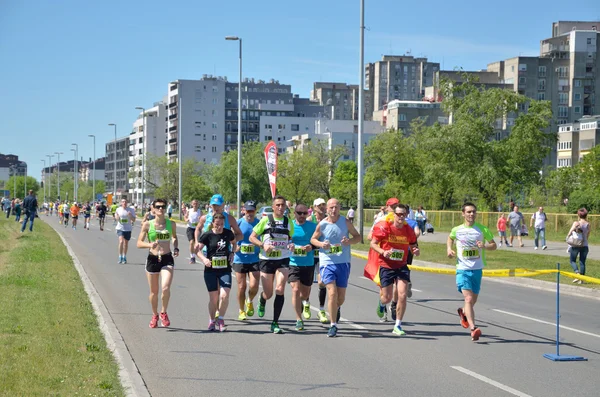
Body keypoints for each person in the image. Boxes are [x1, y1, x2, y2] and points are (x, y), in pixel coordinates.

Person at [310, 198, 362, 337]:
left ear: (340, 208)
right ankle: (333, 325)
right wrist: (321, 245)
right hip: (327, 262)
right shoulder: (322, 224)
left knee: (341, 297)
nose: (334, 210)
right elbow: (313, 239)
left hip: (343, 262)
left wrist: (349, 241)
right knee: (332, 293)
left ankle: (336, 308)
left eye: (336, 207)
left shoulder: (345, 222)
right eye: (331, 207)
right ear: (327, 209)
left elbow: (358, 237)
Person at [447, 202, 496, 341]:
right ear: (463, 214)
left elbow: (494, 245)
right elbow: (450, 238)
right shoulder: (457, 229)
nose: (471, 214)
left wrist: (485, 246)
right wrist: (449, 249)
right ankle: (473, 328)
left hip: (477, 269)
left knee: (472, 301)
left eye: (473, 211)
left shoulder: (482, 229)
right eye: (468, 212)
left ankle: (463, 313)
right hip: (462, 269)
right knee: (468, 299)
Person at [370, 204, 419, 335]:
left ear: (406, 215)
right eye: (398, 214)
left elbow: (413, 244)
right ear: (394, 214)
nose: (401, 217)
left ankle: (398, 325)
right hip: (386, 265)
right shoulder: (385, 227)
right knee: (387, 297)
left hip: (401, 266)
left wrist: (415, 250)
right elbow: (373, 243)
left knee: (402, 295)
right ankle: (381, 304)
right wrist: (383, 251)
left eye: (404, 214)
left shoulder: (408, 230)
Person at [249, 195, 295, 334]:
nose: (281, 208)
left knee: (280, 289)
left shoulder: (288, 222)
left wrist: (291, 245)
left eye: (283, 205)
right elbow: (252, 237)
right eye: (278, 205)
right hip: (267, 260)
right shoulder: (265, 220)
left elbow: (290, 239)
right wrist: (263, 245)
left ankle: (275, 322)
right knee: (268, 293)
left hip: (283, 259)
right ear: (273, 207)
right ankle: (262, 300)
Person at [137, 198, 179, 328]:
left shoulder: (171, 224)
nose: (161, 209)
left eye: (163, 207)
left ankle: (163, 312)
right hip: (153, 259)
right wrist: (150, 244)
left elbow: (174, 237)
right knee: (154, 292)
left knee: (165, 287)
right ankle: (154, 314)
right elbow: (138, 243)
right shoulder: (147, 225)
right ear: (153, 209)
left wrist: (176, 247)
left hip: (167, 258)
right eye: (158, 207)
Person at [196, 213, 236, 332]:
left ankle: (221, 319)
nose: (219, 227)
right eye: (217, 224)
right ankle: (212, 320)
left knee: (224, 295)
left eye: (222, 225)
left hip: (225, 269)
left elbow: (234, 243)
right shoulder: (207, 235)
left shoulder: (228, 233)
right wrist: (204, 259)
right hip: (211, 270)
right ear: (213, 223)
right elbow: (197, 250)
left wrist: (233, 253)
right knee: (214, 298)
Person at [288, 203, 317, 331]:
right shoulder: (290, 226)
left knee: (304, 294)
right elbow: (284, 240)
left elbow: (319, 241)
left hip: (308, 263)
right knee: (295, 290)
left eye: (305, 213)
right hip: (293, 263)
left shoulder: (313, 226)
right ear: (295, 213)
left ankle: (306, 302)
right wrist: (290, 245)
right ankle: (298, 319)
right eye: (299, 213)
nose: (302, 216)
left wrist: (312, 247)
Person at [232, 200, 260, 321]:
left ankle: (250, 301)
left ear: (255, 211)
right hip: (240, 259)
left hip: (255, 259)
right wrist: (234, 247)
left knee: (254, 286)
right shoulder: (238, 223)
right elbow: (230, 238)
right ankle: (241, 310)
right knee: (242, 286)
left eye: (252, 211)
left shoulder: (259, 223)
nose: (250, 213)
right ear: (244, 210)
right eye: (248, 211)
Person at [310, 198, 329, 323]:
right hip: (310, 255)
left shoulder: (329, 220)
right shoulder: (308, 220)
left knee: (322, 282)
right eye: (319, 205)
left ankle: (321, 310)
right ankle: (305, 302)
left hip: (323, 255)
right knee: (306, 284)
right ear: (314, 207)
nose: (322, 207)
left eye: (323, 205)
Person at [567, 208, 590, 284]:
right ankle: (582, 280)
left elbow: (570, 232)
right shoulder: (588, 224)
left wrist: (568, 237)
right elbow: (587, 235)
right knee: (582, 262)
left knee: (572, 260)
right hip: (585, 245)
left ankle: (577, 273)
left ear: (578, 215)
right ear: (586, 215)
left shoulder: (576, 223)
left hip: (576, 244)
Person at [115, 199, 136, 264]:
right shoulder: (118, 209)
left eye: (125, 202)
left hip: (128, 229)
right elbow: (116, 217)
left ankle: (124, 256)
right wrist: (117, 217)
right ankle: (120, 256)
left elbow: (134, 219)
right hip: (120, 228)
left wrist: (130, 215)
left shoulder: (131, 210)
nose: (124, 203)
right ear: (121, 203)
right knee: (121, 241)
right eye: (123, 202)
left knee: (126, 243)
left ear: (127, 203)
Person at [184, 200, 202, 264]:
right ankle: (192, 256)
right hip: (190, 228)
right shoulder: (189, 210)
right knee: (191, 242)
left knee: (196, 244)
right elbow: (185, 216)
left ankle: (194, 256)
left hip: (197, 229)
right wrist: (186, 219)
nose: (195, 204)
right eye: (194, 203)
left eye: (196, 203)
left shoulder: (200, 211)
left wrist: (201, 219)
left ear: (198, 204)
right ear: (192, 204)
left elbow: (203, 219)